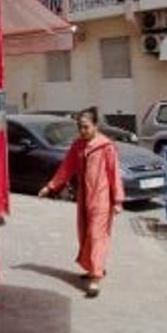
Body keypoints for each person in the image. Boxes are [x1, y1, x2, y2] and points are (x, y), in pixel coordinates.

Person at [37, 108, 125, 297]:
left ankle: (95, 278)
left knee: (96, 236)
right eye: (80, 127)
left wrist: (117, 200)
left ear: (95, 126)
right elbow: (66, 168)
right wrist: (50, 187)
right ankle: (94, 267)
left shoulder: (106, 146)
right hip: (84, 198)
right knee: (85, 234)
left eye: (86, 127)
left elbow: (114, 173)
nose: (82, 131)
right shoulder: (78, 146)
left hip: (101, 199)